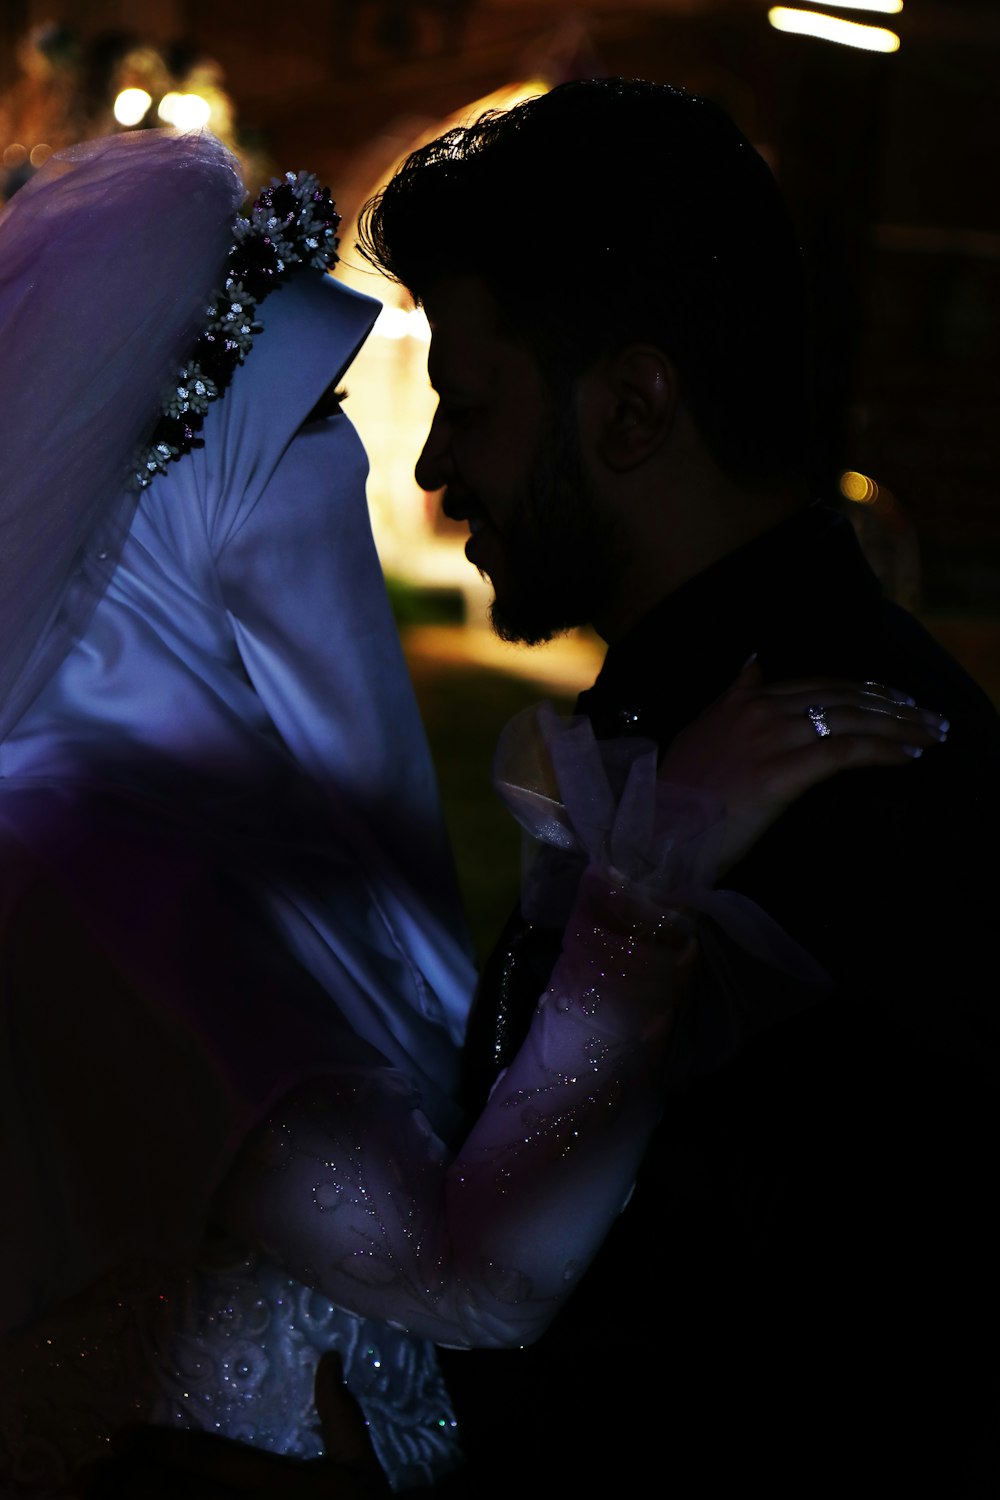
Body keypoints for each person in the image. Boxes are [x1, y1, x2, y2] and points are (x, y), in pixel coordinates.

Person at [0, 122, 933, 1500]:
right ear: (190, 502)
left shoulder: (203, 816)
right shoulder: (117, 858)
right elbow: (472, 1279)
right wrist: (639, 901)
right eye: (314, 424)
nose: (390, 468)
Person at [347, 78, 1000, 1498]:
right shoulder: (694, 714)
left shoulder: (848, 785)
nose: (438, 465)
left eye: (470, 402)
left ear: (633, 404)